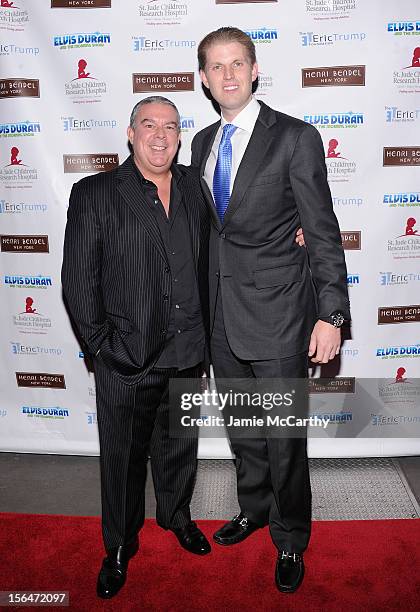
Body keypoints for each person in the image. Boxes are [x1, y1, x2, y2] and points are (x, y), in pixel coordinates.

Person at [191, 27, 350, 593]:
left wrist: (330, 315)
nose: (227, 74)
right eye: (216, 66)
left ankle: (289, 536)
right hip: (222, 318)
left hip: (282, 315)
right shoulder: (203, 142)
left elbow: (323, 232)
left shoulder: (296, 138)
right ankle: (253, 509)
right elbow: (216, 230)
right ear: (205, 78)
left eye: (237, 63)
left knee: (284, 439)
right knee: (244, 431)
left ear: (255, 70)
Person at [61, 96, 211, 600]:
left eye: (171, 126)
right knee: (123, 462)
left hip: (189, 351)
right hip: (127, 359)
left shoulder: (195, 186)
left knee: (179, 451)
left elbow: (226, 243)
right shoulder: (96, 192)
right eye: (149, 125)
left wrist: (290, 235)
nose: (161, 135)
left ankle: (176, 517)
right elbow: (78, 284)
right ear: (130, 133)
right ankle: (120, 546)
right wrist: (104, 349)